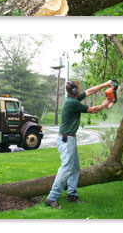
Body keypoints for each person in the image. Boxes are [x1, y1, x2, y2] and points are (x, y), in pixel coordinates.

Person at [44, 80, 114, 209]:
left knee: (75, 168)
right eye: (79, 88)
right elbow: (92, 110)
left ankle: (72, 195)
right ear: (75, 91)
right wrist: (104, 104)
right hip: (66, 140)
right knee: (66, 168)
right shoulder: (72, 103)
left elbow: (89, 91)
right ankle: (52, 197)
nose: (81, 89)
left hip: (69, 139)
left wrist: (105, 84)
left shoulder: (73, 97)